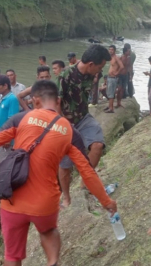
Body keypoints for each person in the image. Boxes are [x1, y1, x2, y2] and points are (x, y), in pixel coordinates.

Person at [0, 80, 117, 266]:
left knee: (12, 255)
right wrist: (107, 202)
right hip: (45, 204)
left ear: (35, 101)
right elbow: (87, 172)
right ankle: (52, 261)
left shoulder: (20, 119)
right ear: (58, 101)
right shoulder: (70, 131)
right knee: (48, 232)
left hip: (12, 199)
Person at [57, 45, 112, 208]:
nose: (100, 71)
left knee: (97, 145)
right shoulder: (65, 75)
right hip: (66, 123)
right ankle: (66, 197)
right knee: (65, 165)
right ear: (90, 64)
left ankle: (84, 183)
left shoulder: (92, 72)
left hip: (84, 118)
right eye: (100, 67)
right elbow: (56, 103)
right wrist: (62, 125)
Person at [105, 45, 124, 114]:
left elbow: (121, 66)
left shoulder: (116, 57)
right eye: (109, 49)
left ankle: (111, 108)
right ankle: (110, 106)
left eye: (112, 49)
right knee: (109, 92)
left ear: (114, 50)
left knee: (111, 93)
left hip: (113, 78)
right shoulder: (111, 57)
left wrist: (117, 73)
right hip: (110, 77)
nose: (110, 51)